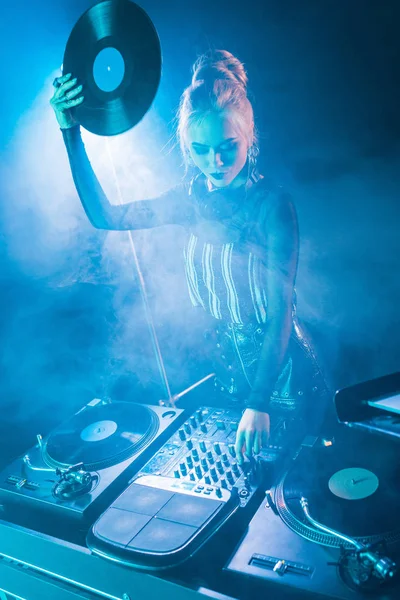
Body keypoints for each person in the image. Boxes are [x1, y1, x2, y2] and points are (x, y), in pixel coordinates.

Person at [50, 50, 330, 463]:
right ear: (185, 144)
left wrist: (260, 401)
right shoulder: (187, 200)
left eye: (227, 147)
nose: (214, 162)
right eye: (200, 149)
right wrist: (68, 128)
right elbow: (104, 216)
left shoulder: (273, 206)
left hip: (285, 383)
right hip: (229, 381)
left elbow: (279, 313)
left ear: (249, 135)